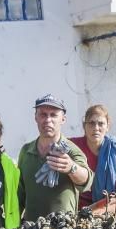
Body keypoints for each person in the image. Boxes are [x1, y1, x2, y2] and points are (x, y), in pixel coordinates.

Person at [17, 94, 91, 222]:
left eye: (53, 115)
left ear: (63, 119)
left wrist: (71, 167)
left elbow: (86, 181)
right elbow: (20, 193)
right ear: (36, 117)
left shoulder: (71, 150)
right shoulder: (26, 151)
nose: (48, 120)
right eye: (43, 114)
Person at [70, 104, 116, 207]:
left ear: (107, 127)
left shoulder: (114, 152)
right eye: (91, 123)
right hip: (74, 208)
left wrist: (100, 206)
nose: (96, 128)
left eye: (101, 124)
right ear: (84, 126)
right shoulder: (72, 147)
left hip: (104, 210)